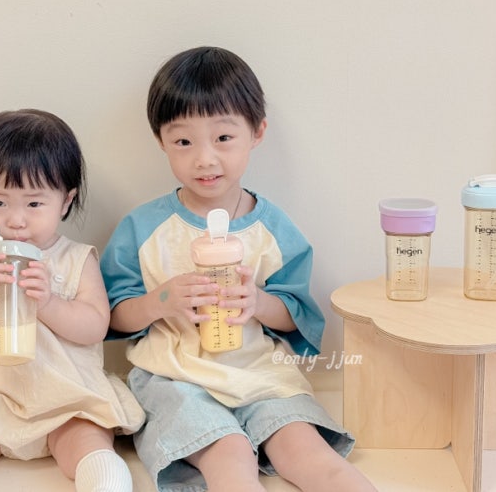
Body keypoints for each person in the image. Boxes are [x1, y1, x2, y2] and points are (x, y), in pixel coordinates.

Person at [101, 47, 377, 492]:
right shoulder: (143, 228)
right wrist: (161, 301)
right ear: (161, 141)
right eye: (184, 142)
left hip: (259, 373)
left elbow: (297, 314)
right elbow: (113, 316)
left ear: (256, 132)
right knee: (229, 456)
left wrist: (259, 302)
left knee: (308, 454)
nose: (205, 159)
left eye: (224, 138)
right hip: (176, 377)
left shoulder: (273, 229)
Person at [0, 109, 145, 492]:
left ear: (65, 201)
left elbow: (95, 327)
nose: (16, 220)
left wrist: (49, 303)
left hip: (63, 407)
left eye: (34, 204)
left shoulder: (76, 259)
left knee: (91, 441)